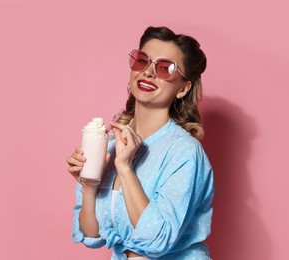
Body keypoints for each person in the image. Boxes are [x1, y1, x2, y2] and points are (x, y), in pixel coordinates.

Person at [67, 26, 214, 260]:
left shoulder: (184, 152)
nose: (148, 72)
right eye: (142, 61)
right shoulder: (110, 145)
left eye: (165, 68)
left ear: (183, 88)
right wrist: (89, 186)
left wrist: (124, 168)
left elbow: (158, 239)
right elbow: (91, 235)